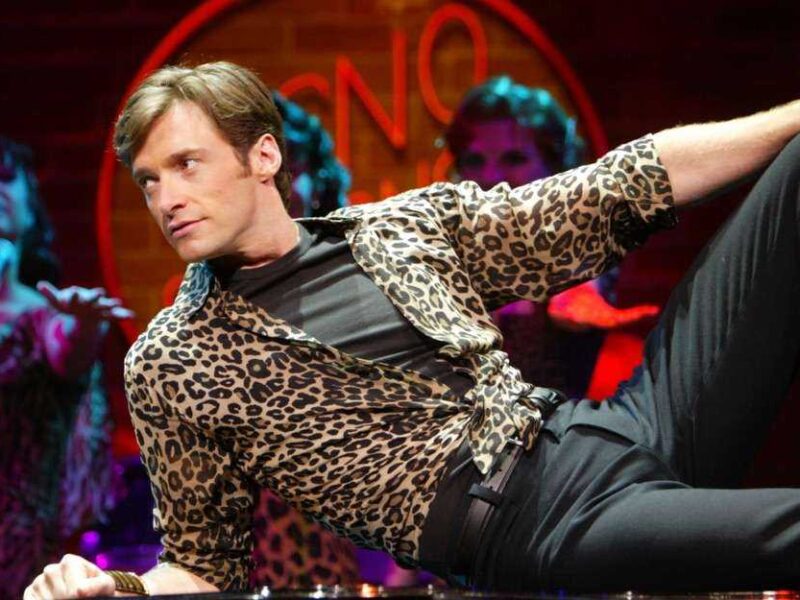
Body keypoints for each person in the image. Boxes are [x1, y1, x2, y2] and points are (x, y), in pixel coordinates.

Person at [23, 60, 800, 597]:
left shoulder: (399, 227)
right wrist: (113, 588)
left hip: (619, 424)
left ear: (262, 156)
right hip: (539, 525)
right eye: (149, 180)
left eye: (186, 164)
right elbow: (200, 568)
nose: (166, 198)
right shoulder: (175, 359)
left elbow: (613, 189)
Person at [445, 76, 658, 398]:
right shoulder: (443, 248)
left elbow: (578, 285)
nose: (490, 176)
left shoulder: (580, 239)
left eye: (514, 158)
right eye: (475, 160)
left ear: (555, 166)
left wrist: (577, 300)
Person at [0, 136, 131, 598]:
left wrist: (86, 327)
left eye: (6, 178)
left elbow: (68, 352)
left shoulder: (44, 318)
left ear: (30, 208)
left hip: (19, 546)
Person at [250, 92, 360, 589]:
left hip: (319, 555)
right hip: (232, 557)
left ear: (318, 181)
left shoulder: (350, 280)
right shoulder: (217, 288)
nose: (274, 184)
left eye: (289, 167)